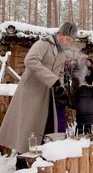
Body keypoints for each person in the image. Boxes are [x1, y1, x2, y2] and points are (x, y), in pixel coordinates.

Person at [0, 22, 77, 158]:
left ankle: (39, 157)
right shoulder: (43, 43)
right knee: (28, 127)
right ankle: (22, 158)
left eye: (71, 41)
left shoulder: (61, 53)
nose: (69, 43)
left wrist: (61, 88)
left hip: (47, 95)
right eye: (67, 39)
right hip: (31, 92)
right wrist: (52, 81)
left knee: (44, 127)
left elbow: (60, 73)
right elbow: (30, 60)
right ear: (60, 35)